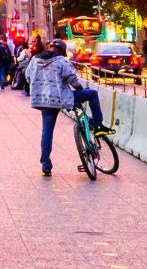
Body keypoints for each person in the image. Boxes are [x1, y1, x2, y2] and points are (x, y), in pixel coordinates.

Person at [26, 33, 100, 178]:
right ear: (61, 51)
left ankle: (46, 167)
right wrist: (80, 90)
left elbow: (28, 76)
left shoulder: (35, 60)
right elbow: (72, 80)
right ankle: (97, 123)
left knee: (47, 132)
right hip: (61, 98)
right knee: (91, 94)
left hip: (43, 101)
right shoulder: (62, 61)